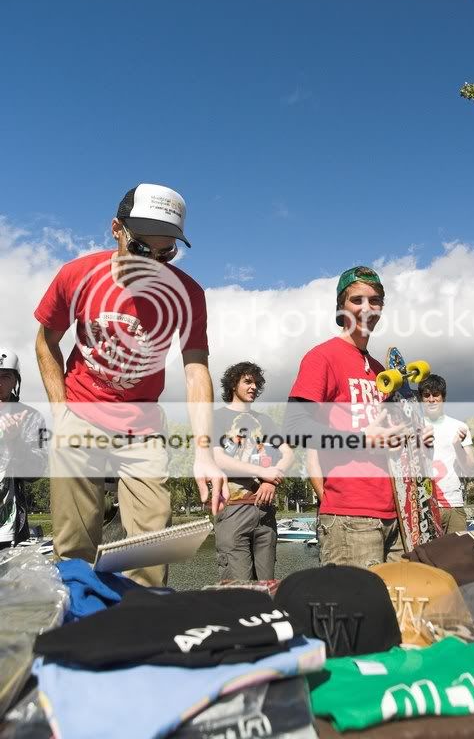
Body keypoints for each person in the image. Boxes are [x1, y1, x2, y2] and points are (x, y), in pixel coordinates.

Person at [34, 183, 225, 586]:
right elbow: (46, 342)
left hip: (141, 421)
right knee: (75, 540)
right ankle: (74, 617)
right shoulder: (77, 275)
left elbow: (195, 371)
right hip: (82, 409)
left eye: (166, 252)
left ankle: (142, 622)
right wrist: (60, 412)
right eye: (142, 250)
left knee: (154, 540)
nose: (153, 263)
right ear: (116, 229)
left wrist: (205, 452)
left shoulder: (188, 295)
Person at [287, 266, 431, 568]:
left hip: (399, 516)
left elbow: (387, 437)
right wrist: (362, 438)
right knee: (353, 613)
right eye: (357, 300)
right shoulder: (322, 357)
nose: (367, 308)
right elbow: (295, 426)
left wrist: (412, 438)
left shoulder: (381, 370)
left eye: (375, 300)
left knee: (398, 611)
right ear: (341, 307)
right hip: (350, 518)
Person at [212, 362, 294, 581]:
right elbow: (219, 458)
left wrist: (271, 481)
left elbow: (288, 454)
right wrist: (261, 471)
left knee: (267, 588)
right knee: (238, 591)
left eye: (256, 383)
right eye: (247, 382)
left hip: (265, 512)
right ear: (233, 385)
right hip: (233, 511)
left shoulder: (265, 421)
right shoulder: (216, 418)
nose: (253, 387)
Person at [417, 373, 474, 534]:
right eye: (426, 395)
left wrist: (458, 445)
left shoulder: (459, 426)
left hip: (453, 505)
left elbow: (470, 468)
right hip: (423, 505)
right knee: (423, 558)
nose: (431, 399)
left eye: (436, 394)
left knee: (457, 556)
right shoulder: (413, 426)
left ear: (443, 397)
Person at [0, 350, 47, 550]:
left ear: (15, 382)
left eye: (5, 376)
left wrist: (14, 441)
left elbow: (36, 471)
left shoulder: (32, 417)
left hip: (8, 526)